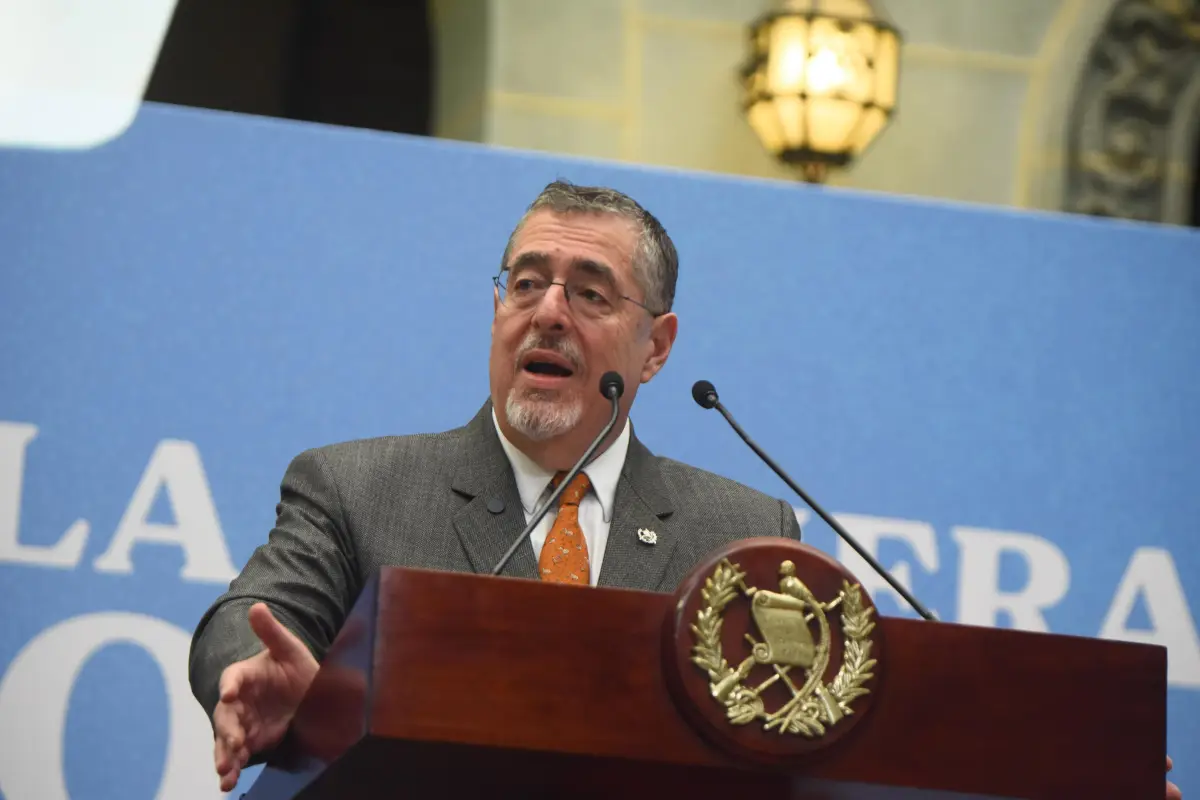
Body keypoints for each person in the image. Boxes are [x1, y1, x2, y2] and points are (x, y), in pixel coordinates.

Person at [189, 181, 804, 791]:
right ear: (497, 310)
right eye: (526, 284)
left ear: (657, 347)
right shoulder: (357, 490)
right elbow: (256, 612)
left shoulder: (742, 536)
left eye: (590, 294)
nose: (548, 313)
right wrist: (249, 666)